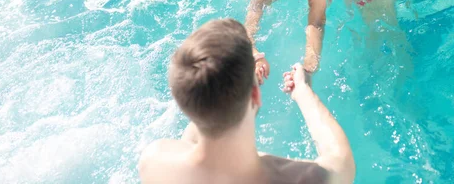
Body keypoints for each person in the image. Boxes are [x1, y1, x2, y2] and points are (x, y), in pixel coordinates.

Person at [138, 18, 356, 184]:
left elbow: (194, 135)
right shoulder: (296, 178)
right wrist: (303, 91)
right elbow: (340, 160)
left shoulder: (155, 161)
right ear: (255, 95)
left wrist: (233, 85)